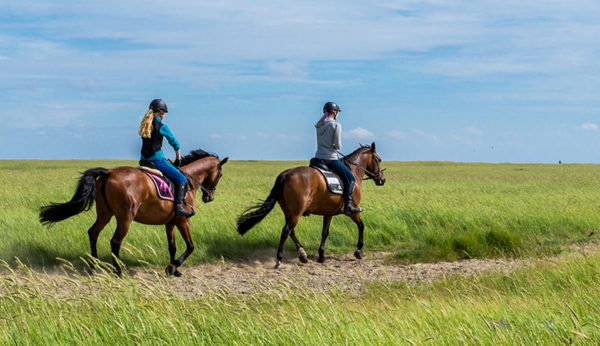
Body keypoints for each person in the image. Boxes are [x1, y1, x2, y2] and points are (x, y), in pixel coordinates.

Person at [139, 99, 194, 217]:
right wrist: (178, 159)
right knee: (181, 179)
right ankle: (179, 207)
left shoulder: (145, 125)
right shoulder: (162, 126)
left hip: (144, 160)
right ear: (161, 112)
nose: (164, 116)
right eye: (164, 113)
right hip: (157, 160)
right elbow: (175, 143)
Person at [315, 101, 362, 214]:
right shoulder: (336, 125)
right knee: (351, 178)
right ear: (335, 112)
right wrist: (335, 147)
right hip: (330, 158)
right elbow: (337, 145)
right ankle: (348, 206)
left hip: (318, 158)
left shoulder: (319, 125)